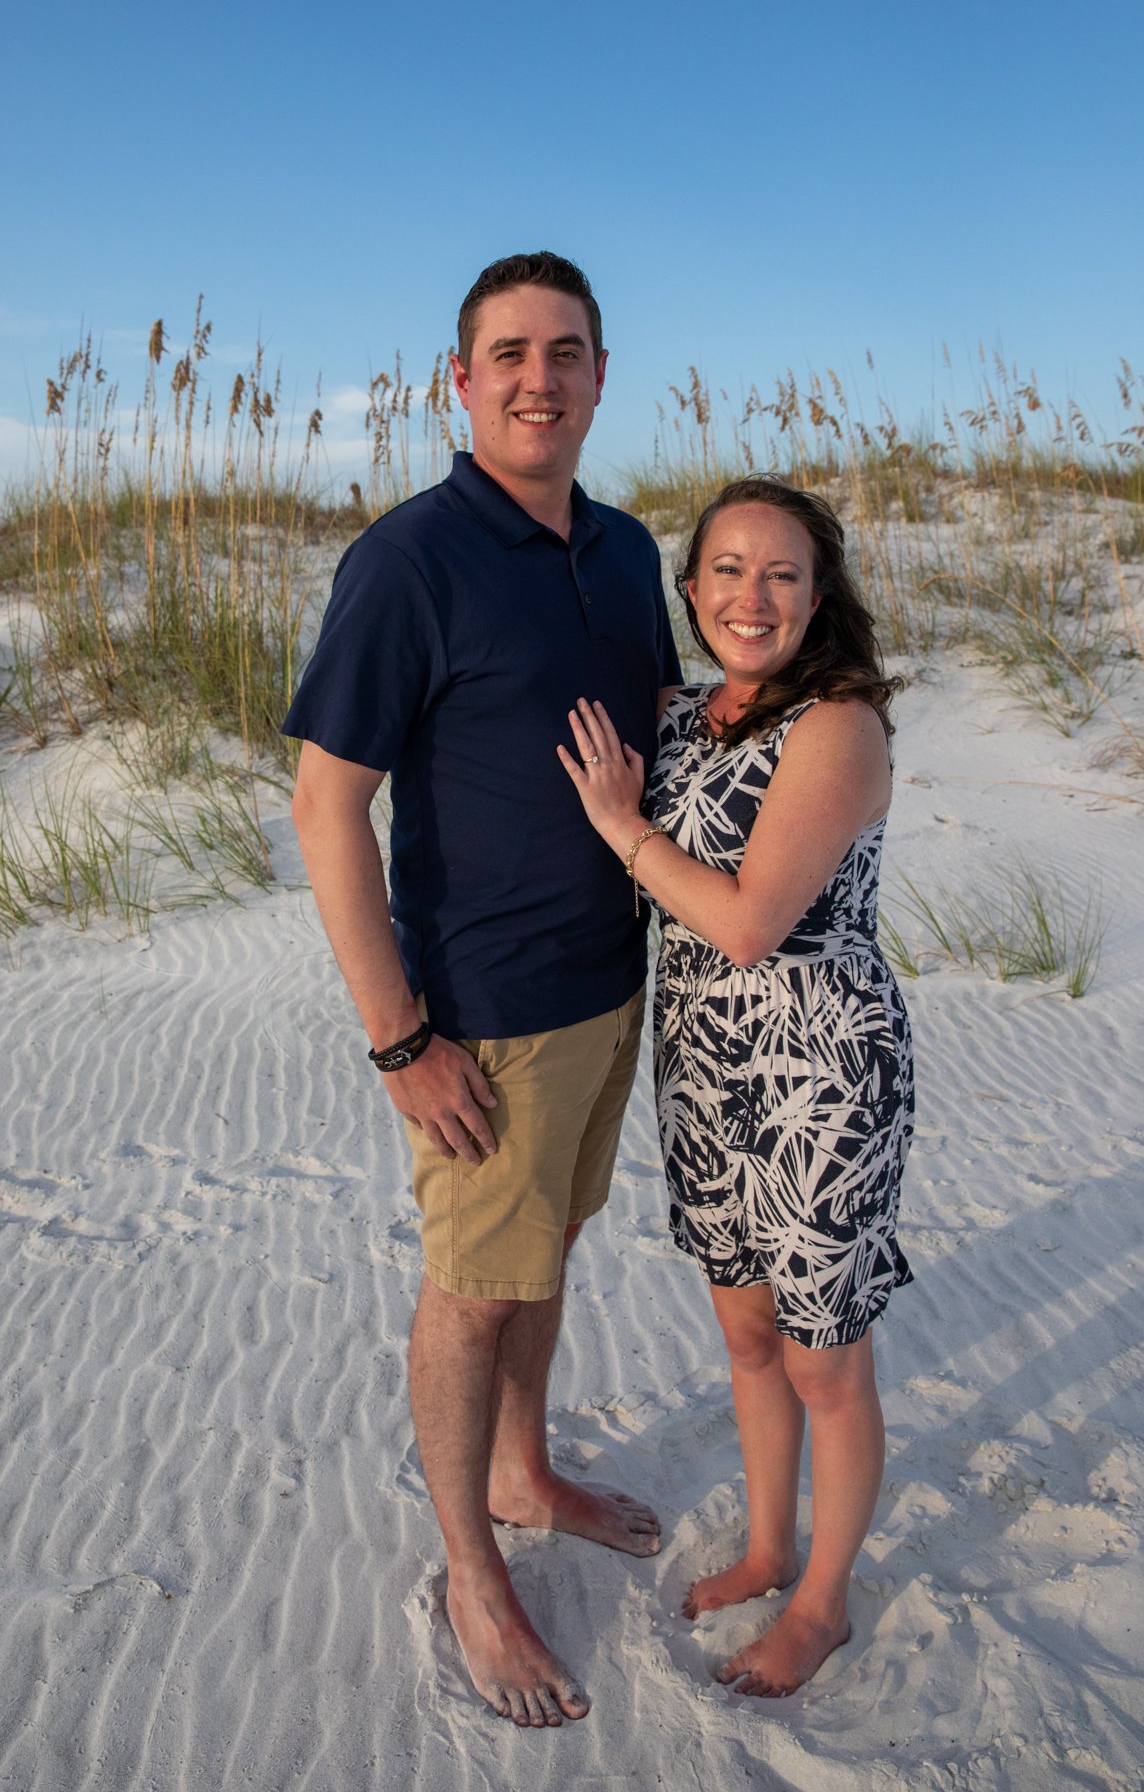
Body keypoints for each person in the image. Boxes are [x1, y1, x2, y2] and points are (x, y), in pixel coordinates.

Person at [285, 252, 682, 1729]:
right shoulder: (410, 559)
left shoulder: (627, 550)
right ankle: (470, 1564)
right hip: (485, 1012)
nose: (538, 378)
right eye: (508, 353)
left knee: (548, 1251)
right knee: (467, 1293)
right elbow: (326, 806)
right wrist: (401, 1041)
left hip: (612, 986)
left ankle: (525, 1469)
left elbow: (660, 728)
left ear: (600, 375)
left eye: (565, 351)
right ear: (459, 381)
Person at [559, 475, 914, 1698]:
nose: (750, 597)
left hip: (822, 1071)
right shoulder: (680, 711)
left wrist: (625, 831)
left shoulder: (840, 727)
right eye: (727, 570)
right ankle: (768, 1548)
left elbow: (753, 922)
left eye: (780, 574)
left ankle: (823, 1601)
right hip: (706, 1068)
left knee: (826, 1362)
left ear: (818, 595)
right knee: (750, 1338)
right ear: (691, 586)